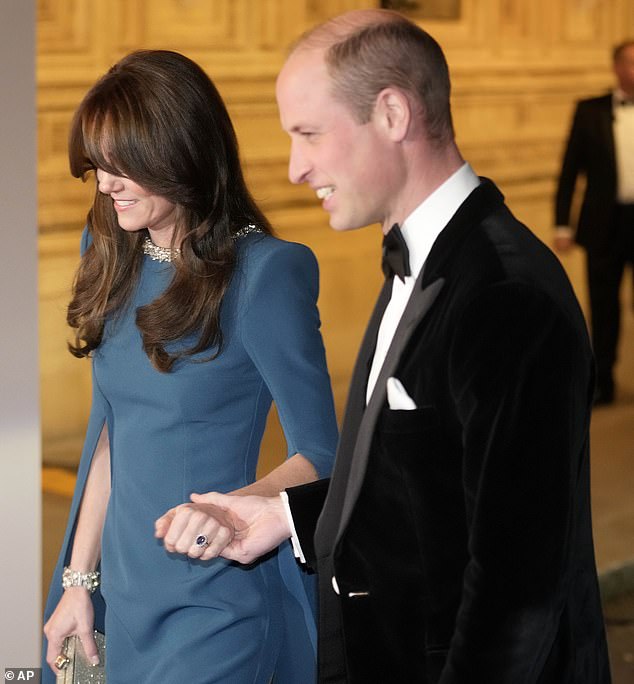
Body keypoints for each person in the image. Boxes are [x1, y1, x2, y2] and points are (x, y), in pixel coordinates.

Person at [156, 10, 611, 683]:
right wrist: (287, 513)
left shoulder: (506, 296)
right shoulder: (423, 259)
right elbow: (425, 487)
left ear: (393, 114)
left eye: (308, 133)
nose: (294, 168)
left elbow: (518, 589)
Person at [42, 49, 338, 684]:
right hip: (122, 594)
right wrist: (78, 583)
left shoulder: (265, 275)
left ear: (180, 154)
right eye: (97, 165)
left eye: (123, 167)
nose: (105, 185)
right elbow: (109, 433)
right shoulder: (108, 249)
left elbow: (322, 452)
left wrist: (233, 508)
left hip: (214, 598)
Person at [555, 39, 634, 405]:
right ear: (616, 67)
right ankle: (603, 380)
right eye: (629, 63)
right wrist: (562, 224)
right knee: (603, 307)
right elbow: (570, 172)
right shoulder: (589, 111)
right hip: (605, 224)